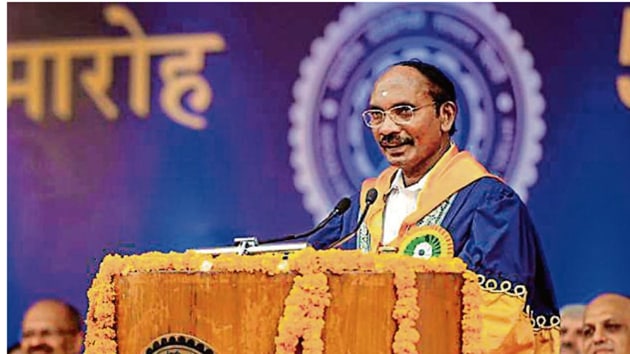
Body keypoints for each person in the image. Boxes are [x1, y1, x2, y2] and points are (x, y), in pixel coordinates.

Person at [307, 59, 559, 353]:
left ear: (446, 115)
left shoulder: (489, 205)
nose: (387, 129)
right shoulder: (364, 205)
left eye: (403, 112)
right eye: (376, 115)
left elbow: (494, 322)